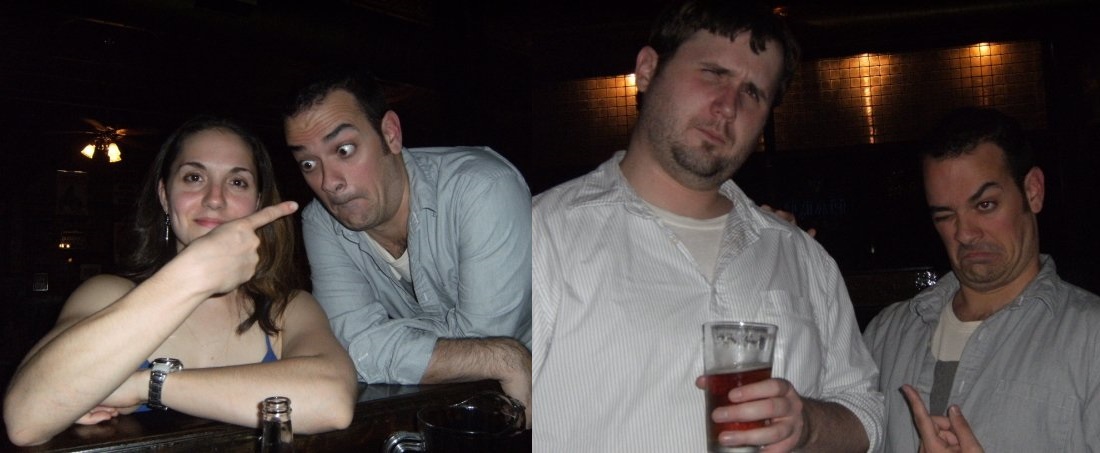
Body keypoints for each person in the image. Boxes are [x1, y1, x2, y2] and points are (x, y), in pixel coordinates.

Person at [532, 1, 883, 451]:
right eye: (713, 73)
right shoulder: (542, 235)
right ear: (647, 70)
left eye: (753, 92)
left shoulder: (800, 255)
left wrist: (809, 426)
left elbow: (867, 412)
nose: (728, 106)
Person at [3, 115, 358, 447]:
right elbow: (25, 419)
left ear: (256, 203)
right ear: (164, 195)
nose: (215, 199)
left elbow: (332, 401)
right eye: (194, 178)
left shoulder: (288, 308)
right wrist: (192, 277)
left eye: (237, 182)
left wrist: (145, 385)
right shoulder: (107, 294)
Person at [282, 69, 533, 418]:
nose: (329, 183)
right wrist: (482, 353)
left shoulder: (482, 188)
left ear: (390, 134)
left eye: (344, 149)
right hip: (446, 407)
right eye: (308, 163)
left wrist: (377, 340)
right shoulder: (321, 221)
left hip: (555, 383)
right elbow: (349, 342)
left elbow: (486, 340)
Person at [863, 107, 1100, 452]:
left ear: (1033, 191)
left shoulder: (1090, 337)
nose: (965, 233)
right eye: (945, 215)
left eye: (985, 205)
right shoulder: (887, 335)